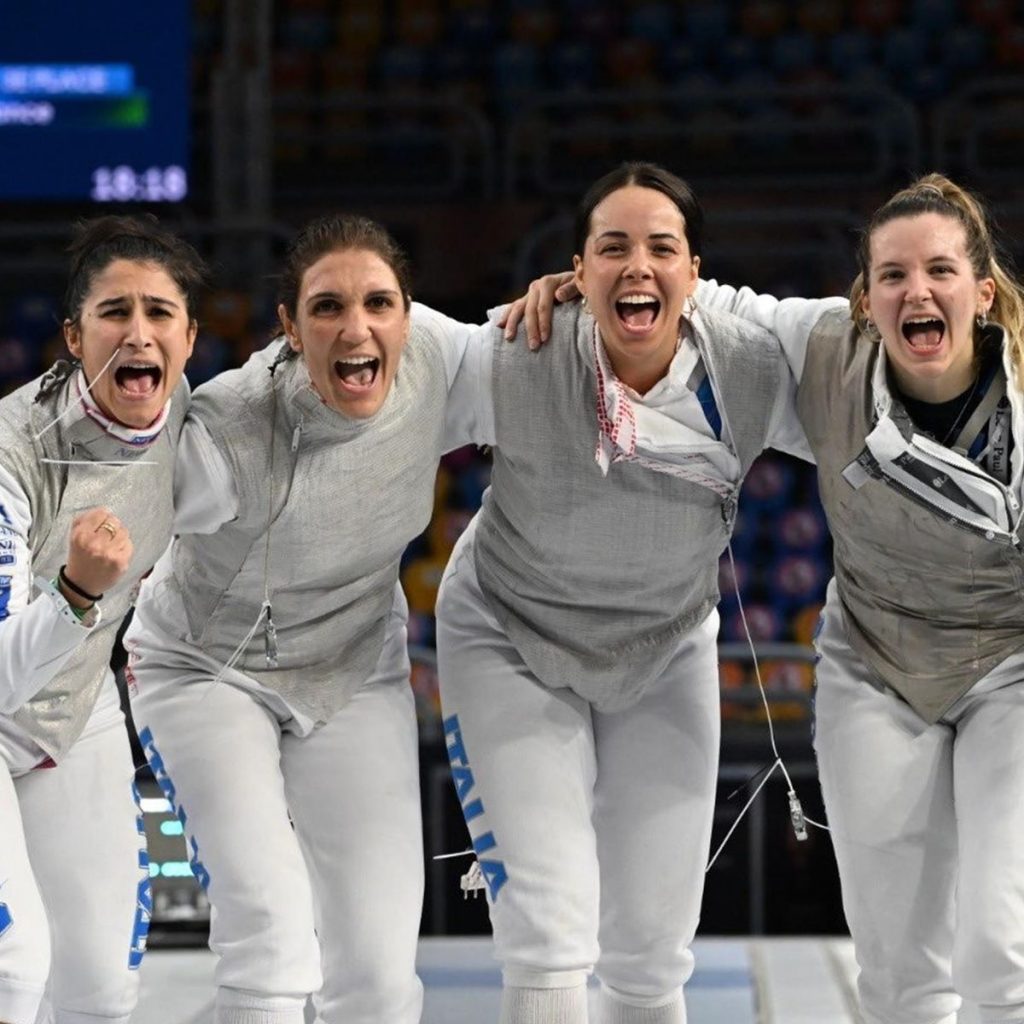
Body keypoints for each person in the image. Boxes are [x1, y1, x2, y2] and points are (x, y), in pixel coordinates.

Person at [520, 173, 1024, 1024]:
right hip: (875, 663)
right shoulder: (826, 350)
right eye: (893, 275)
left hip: (1011, 665)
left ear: (981, 292)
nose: (916, 291)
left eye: (939, 271)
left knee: (999, 939)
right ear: (866, 298)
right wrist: (594, 282)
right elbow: (702, 293)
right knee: (899, 970)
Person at [433, 161, 807, 1024]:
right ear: (578, 270)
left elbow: (878, 374)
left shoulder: (752, 368)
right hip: (509, 635)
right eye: (613, 249)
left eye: (660, 248)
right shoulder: (513, 351)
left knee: (651, 943)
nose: (637, 266)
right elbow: (375, 381)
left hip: (665, 640)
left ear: (695, 274)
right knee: (548, 924)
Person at [124, 213, 495, 1024]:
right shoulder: (224, 433)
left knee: (379, 974)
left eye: (378, 303)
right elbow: (93, 514)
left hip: (354, 665)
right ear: (290, 328)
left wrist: (576, 299)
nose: (356, 327)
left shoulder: (442, 360)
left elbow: (571, 364)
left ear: (406, 311)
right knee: (272, 935)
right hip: (205, 670)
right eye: (326, 308)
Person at [0, 215, 202, 1024]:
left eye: (159, 313)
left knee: (101, 990)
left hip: (74, 719)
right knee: (16, 965)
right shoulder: (13, 450)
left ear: (190, 337)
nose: (138, 333)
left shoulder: (199, 418)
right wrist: (77, 596)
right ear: (74, 338)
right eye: (114, 312)